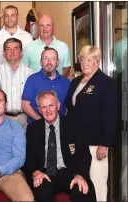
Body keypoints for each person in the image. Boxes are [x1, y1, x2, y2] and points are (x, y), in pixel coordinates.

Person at [65, 45, 118, 201]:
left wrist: (104, 144)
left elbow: (111, 115)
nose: (85, 63)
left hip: (95, 144)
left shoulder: (106, 83)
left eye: (89, 59)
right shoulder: (75, 82)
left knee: (98, 184)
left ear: (97, 61)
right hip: (78, 143)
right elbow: (71, 109)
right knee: (83, 184)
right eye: (82, 59)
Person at [24, 90, 96, 202]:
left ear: (58, 105)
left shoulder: (74, 125)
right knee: (42, 193)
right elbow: (28, 157)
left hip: (71, 172)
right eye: (43, 107)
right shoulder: (33, 129)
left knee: (82, 191)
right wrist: (35, 172)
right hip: (44, 174)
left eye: (51, 105)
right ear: (39, 110)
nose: (48, 110)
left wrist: (80, 175)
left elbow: (84, 154)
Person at [21, 47, 70, 124]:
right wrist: (42, 123)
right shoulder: (32, 80)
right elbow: (25, 105)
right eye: (45, 58)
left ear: (57, 62)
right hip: (37, 127)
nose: (49, 62)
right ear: (41, 62)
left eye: (53, 58)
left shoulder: (66, 82)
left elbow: (68, 107)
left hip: (61, 129)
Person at [0, 38, 34, 128]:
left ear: (21, 53)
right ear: (4, 54)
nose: (12, 52)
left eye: (16, 48)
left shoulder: (30, 73)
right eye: (8, 49)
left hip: (23, 118)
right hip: (3, 118)